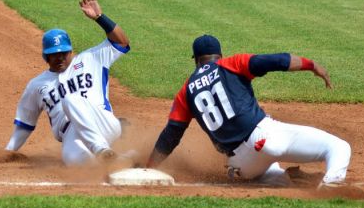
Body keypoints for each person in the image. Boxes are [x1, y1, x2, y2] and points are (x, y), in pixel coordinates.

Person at [147, 34, 351, 187]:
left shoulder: (186, 91)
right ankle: (331, 184)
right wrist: (312, 65)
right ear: (220, 55)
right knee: (338, 147)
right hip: (265, 137)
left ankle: (287, 178)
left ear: (196, 60)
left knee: (271, 174)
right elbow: (278, 61)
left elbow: (170, 136)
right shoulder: (231, 64)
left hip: (241, 165)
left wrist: (149, 168)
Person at [5, 0, 130, 166]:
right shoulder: (36, 85)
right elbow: (25, 124)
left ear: (71, 51)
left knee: (70, 99)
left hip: (101, 120)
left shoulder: (91, 58)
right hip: (71, 134)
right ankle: (126, 158)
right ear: (45, 56)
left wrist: (100, 18)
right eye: (54, 55)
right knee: (81, 164)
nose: (60, 58)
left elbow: (122, 43)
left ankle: (101, 148)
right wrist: (8, 152)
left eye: (63, 53)